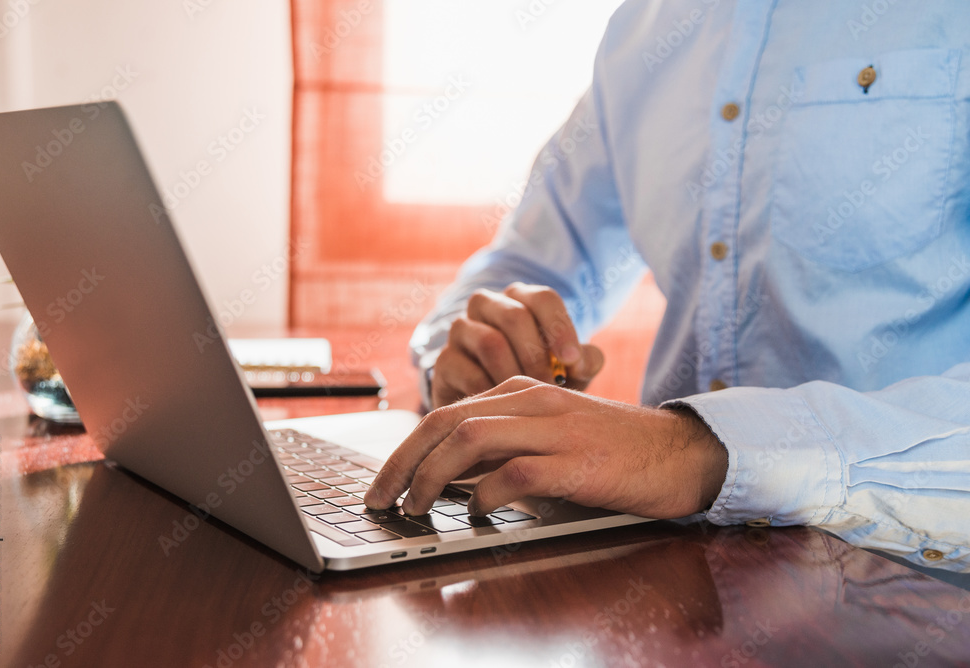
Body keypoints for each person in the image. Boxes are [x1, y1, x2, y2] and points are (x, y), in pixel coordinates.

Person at [366, 0, 970, 573]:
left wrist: (701, 452)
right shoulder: (643, 30)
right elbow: (531, 258)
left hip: (908, 591)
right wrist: (469, 351)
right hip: (667, 575)